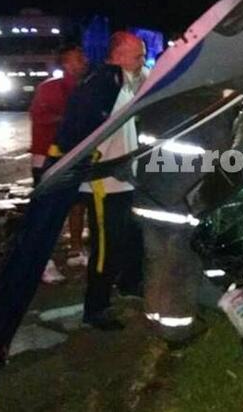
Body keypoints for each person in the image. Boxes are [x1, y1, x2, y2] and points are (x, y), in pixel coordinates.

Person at [67, 31, 146, 330]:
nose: (141, 60)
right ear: (117, 55)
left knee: (130, 237)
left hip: (124, 180)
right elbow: (86, 133)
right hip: (104, 184)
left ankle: (128, 282)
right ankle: (95, 307)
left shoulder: (125, 81)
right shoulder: (103, 87)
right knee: (106, 247)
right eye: (137, 55)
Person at [29, 45, 89, 283]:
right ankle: (44, 262)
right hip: (47, 157)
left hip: (74, 155)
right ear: (65, 64)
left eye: (83, 57)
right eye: (78, 59)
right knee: (47, 212)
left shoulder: (85, 88)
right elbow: (39, 116)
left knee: (77, 204)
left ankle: (75, 249)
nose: (83, 62)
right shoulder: (50, 89)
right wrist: (70, 120)